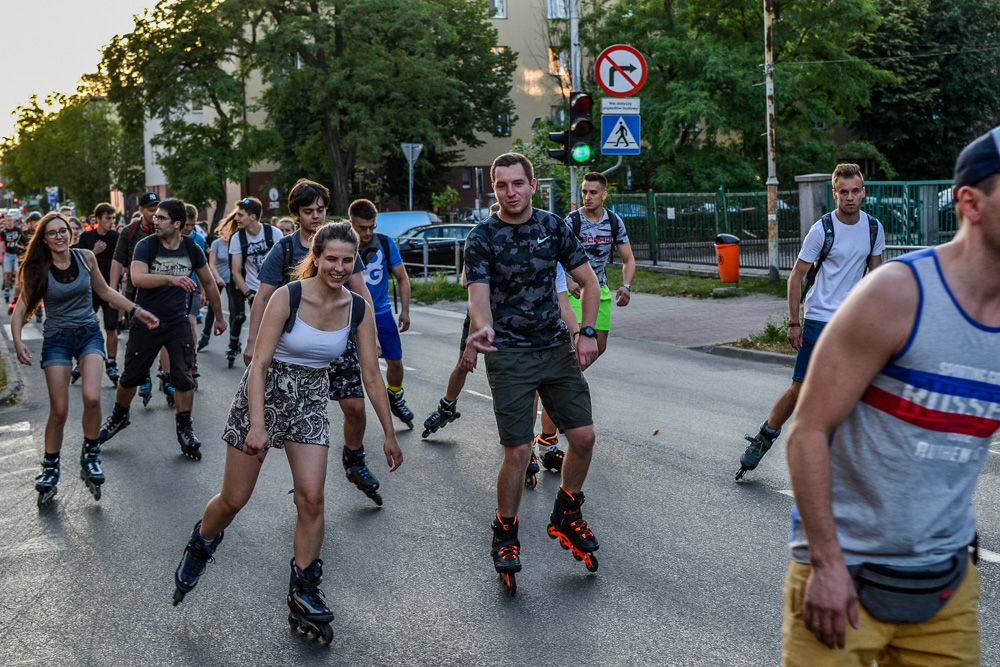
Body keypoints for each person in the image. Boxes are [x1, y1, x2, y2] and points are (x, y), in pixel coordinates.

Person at [780, 127, 1000, 666]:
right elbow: (807, 433)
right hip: (841, 581)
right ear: (970, 203)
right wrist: (827, 565)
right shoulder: (899, 295)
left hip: (946, 588)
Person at [171, 222, 402, 642]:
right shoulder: (288, 296)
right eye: (330, 258)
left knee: (312, 498)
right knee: (234, 499)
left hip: (311, 396)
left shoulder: (357, 308)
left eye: (346, 260)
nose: (338, 267)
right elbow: (257, 365)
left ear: (355, 262)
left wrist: (387, 432)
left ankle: (304, 590)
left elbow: (372, 373)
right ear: (315, 257)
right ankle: (201, 543)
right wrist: (257, 424)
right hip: (264, 392)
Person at [464, 152, 602, 593]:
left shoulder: (552, 227)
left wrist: (586, 332)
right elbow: (478, 296)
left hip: (555, 347)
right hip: (508, 354)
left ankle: (567, 510)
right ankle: (505, 532)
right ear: (494, 189)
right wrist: (483, 329)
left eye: (517, 183)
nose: (510, 192)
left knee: (583, 437)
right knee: (520, 452)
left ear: (533, 184)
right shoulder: (481, 236)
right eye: (502, 185)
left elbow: (591, 282)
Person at [736, 163, 885, 480]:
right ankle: (765, 437)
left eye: (855, 191)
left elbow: (877, 279)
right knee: (800, 388)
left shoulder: (873, 229)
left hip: (851, 324)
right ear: (834, 194)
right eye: (843, 192)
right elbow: (796, 278)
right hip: (818, 319)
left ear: (863, 192)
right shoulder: (822, 230)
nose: (849, 197)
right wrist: (794, 322)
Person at [244, 179, 380, 504]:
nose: (316, 216)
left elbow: (362, 293)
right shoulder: (286, 248)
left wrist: (371, 337)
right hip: (295, 346)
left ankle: (355, 456)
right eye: (309, 211)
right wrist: (251, 340)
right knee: (293, 417)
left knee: (356, 407)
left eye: (320, 209)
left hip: (338, 337)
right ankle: (304, 476)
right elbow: (263, 298)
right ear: (297, 213)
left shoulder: (340, 244)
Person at [11, 213, 158, 508]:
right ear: (44, 238)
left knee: (92, 398)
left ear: (71, 233)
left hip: (89, 333)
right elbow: (22, 306)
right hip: (57, 339)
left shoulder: (85, 257)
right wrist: (17, 342)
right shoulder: (39, 267)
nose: (59, 236)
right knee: (60, 410)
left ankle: (90, 455)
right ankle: (50, 467)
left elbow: (104, 291)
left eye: (62, 231)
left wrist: (136, 309)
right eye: (52, 233)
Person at [98, 198, 226, 460]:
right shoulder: (147, 245)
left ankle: (185, 427)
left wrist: (220, 316)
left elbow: (209, 283)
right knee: (130, 376)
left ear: (177, 223)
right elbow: (137, 278)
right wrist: (171, 278)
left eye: (161, 218)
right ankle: (119, 416)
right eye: (154, 217)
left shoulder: (191, 247)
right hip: (147, 320)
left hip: (177, 321)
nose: (155, 221)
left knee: (183, 376)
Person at [535, 171, 636, 470]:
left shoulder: (614, 221)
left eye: (593, 192)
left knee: (597, 347)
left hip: (601, 290)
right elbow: (556, 257)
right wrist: (568, 278)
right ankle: (549, 430)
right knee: (572, 355)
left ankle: (560, 388)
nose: (587, 196)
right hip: (575, 292)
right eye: (584, 192)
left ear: (604, 194)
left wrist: (626, 285)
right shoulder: (572, 221)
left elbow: (628, 258)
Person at [347, 198, 414, 427]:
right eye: (361, 228)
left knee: (395, 361)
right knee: (358, 367)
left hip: (381, 312)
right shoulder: (341, 245)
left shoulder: (385, 243)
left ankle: (395, 395)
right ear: (351, 222)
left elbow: (403, 278)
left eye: (371, 227)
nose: (367, 233)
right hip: (349, 315)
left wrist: (405, 311)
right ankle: (357, 413)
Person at [111, 192, 160, 403]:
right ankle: (145, 377)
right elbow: (117, 261)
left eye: (158, 210)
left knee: (166, 337)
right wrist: (113, 292)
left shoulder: (164, 229)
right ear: (140, 210)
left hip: (162, 294)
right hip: (136, 295)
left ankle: (167, 376)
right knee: (140, 342)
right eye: (151, 209)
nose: (155, 214)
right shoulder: (129, 232)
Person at [226, 196, 281, 366]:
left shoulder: (274, 233)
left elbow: (282, 265)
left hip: (272, 286)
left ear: (253, 217)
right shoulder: (237, 238)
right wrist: (249, 294)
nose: (236, 218)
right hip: (249, 286)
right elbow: (235, 271)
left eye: (240, 215)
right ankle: (235, 344)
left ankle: (272, 358)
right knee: (240, 316)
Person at [76, 203, 122, 385]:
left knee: (111, 328)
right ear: (98, 219)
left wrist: (115, 288)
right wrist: (94, 252)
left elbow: (120, 263)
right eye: (108, 218)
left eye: (113, 218)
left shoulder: (116, 238)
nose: (111, 222)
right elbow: (78, 264)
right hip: (89, 290)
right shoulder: (87, 237)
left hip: (109, 288)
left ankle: (111, 362)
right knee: (85, 327)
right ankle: (81, 361)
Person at [200, 210, 236, 351]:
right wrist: (218, 278)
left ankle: (234, 340)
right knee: (212, 308)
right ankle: (206, 335)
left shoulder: (237, 242)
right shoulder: (216, 244)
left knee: (234, 309)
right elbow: (212, 264)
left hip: (232, 280)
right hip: (217, 278)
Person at [1, 214, 24, 303]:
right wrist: (0, 256)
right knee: (7, 273)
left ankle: (17, 293)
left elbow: (22, 242)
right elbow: (2, 244)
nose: (10, 222)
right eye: (8, 220)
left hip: (17, 254)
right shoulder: (3, 232)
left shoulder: (18, 230)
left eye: (11, 220)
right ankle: (7, 289)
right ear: (5, 222)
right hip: (8, 254)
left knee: (17, 273)